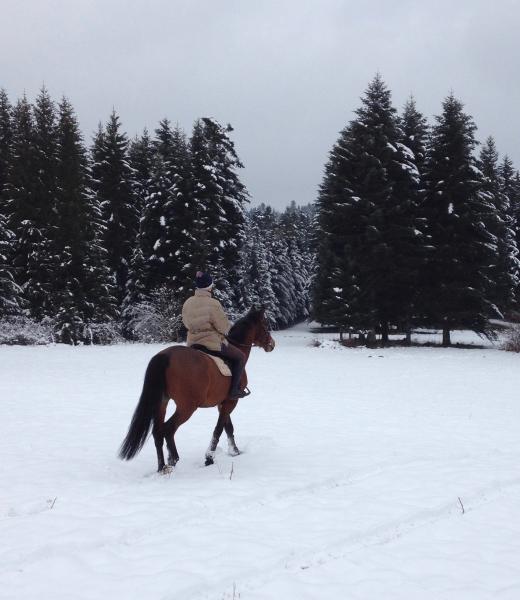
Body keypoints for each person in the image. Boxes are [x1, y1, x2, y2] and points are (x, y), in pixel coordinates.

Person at [182, 271, 248, 400]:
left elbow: (185, 322)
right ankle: (234, 390)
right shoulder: (213, 303)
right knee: (240, 357)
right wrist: (227, 329)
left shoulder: (188, 302)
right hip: (211, 343)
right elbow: (223, 327)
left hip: (192, 343)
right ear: (209, 286)